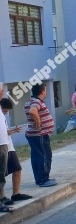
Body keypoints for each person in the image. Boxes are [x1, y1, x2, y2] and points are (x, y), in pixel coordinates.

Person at [24, 84, 56, 187]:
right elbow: (33, 111)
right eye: (45, 90)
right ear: (42, 91)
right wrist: (38, 123)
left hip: (34, 135)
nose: (46, 92)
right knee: (45, 156)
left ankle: (40, 178)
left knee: (36, 157)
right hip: (39, 135)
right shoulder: (36, 102)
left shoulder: (31, 100)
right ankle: (43, 179)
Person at [1, 98, 32, 204]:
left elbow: (5, 132)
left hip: (9, 146)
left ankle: (16, 194)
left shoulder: (3, 117)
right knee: (2, 174)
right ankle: (2, 197)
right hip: (2, 147)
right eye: (4, 111)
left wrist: (13, 130)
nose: (6, 113)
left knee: (17, 169)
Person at [0, 83, 13, 212]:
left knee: (2, 174)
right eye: (1, 90)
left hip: (3, 143)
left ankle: (2, 197)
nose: (2, 92)